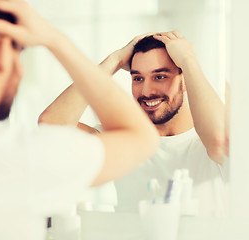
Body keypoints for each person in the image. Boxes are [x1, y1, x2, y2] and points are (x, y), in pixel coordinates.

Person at [0, 0, 159, 239]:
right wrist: (54, 39)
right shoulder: (15, 156)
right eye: (20, 52)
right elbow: (141, 138)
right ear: (3, 51)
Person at [40, 32, 230, 216]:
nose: (146, 91)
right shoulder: (126, 141)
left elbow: (218, 140)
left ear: (185, 80)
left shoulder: (207, 141)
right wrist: (114, 60)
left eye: (160, 76)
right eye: (138, 78)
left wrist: (189, 61)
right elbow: (52, 126)